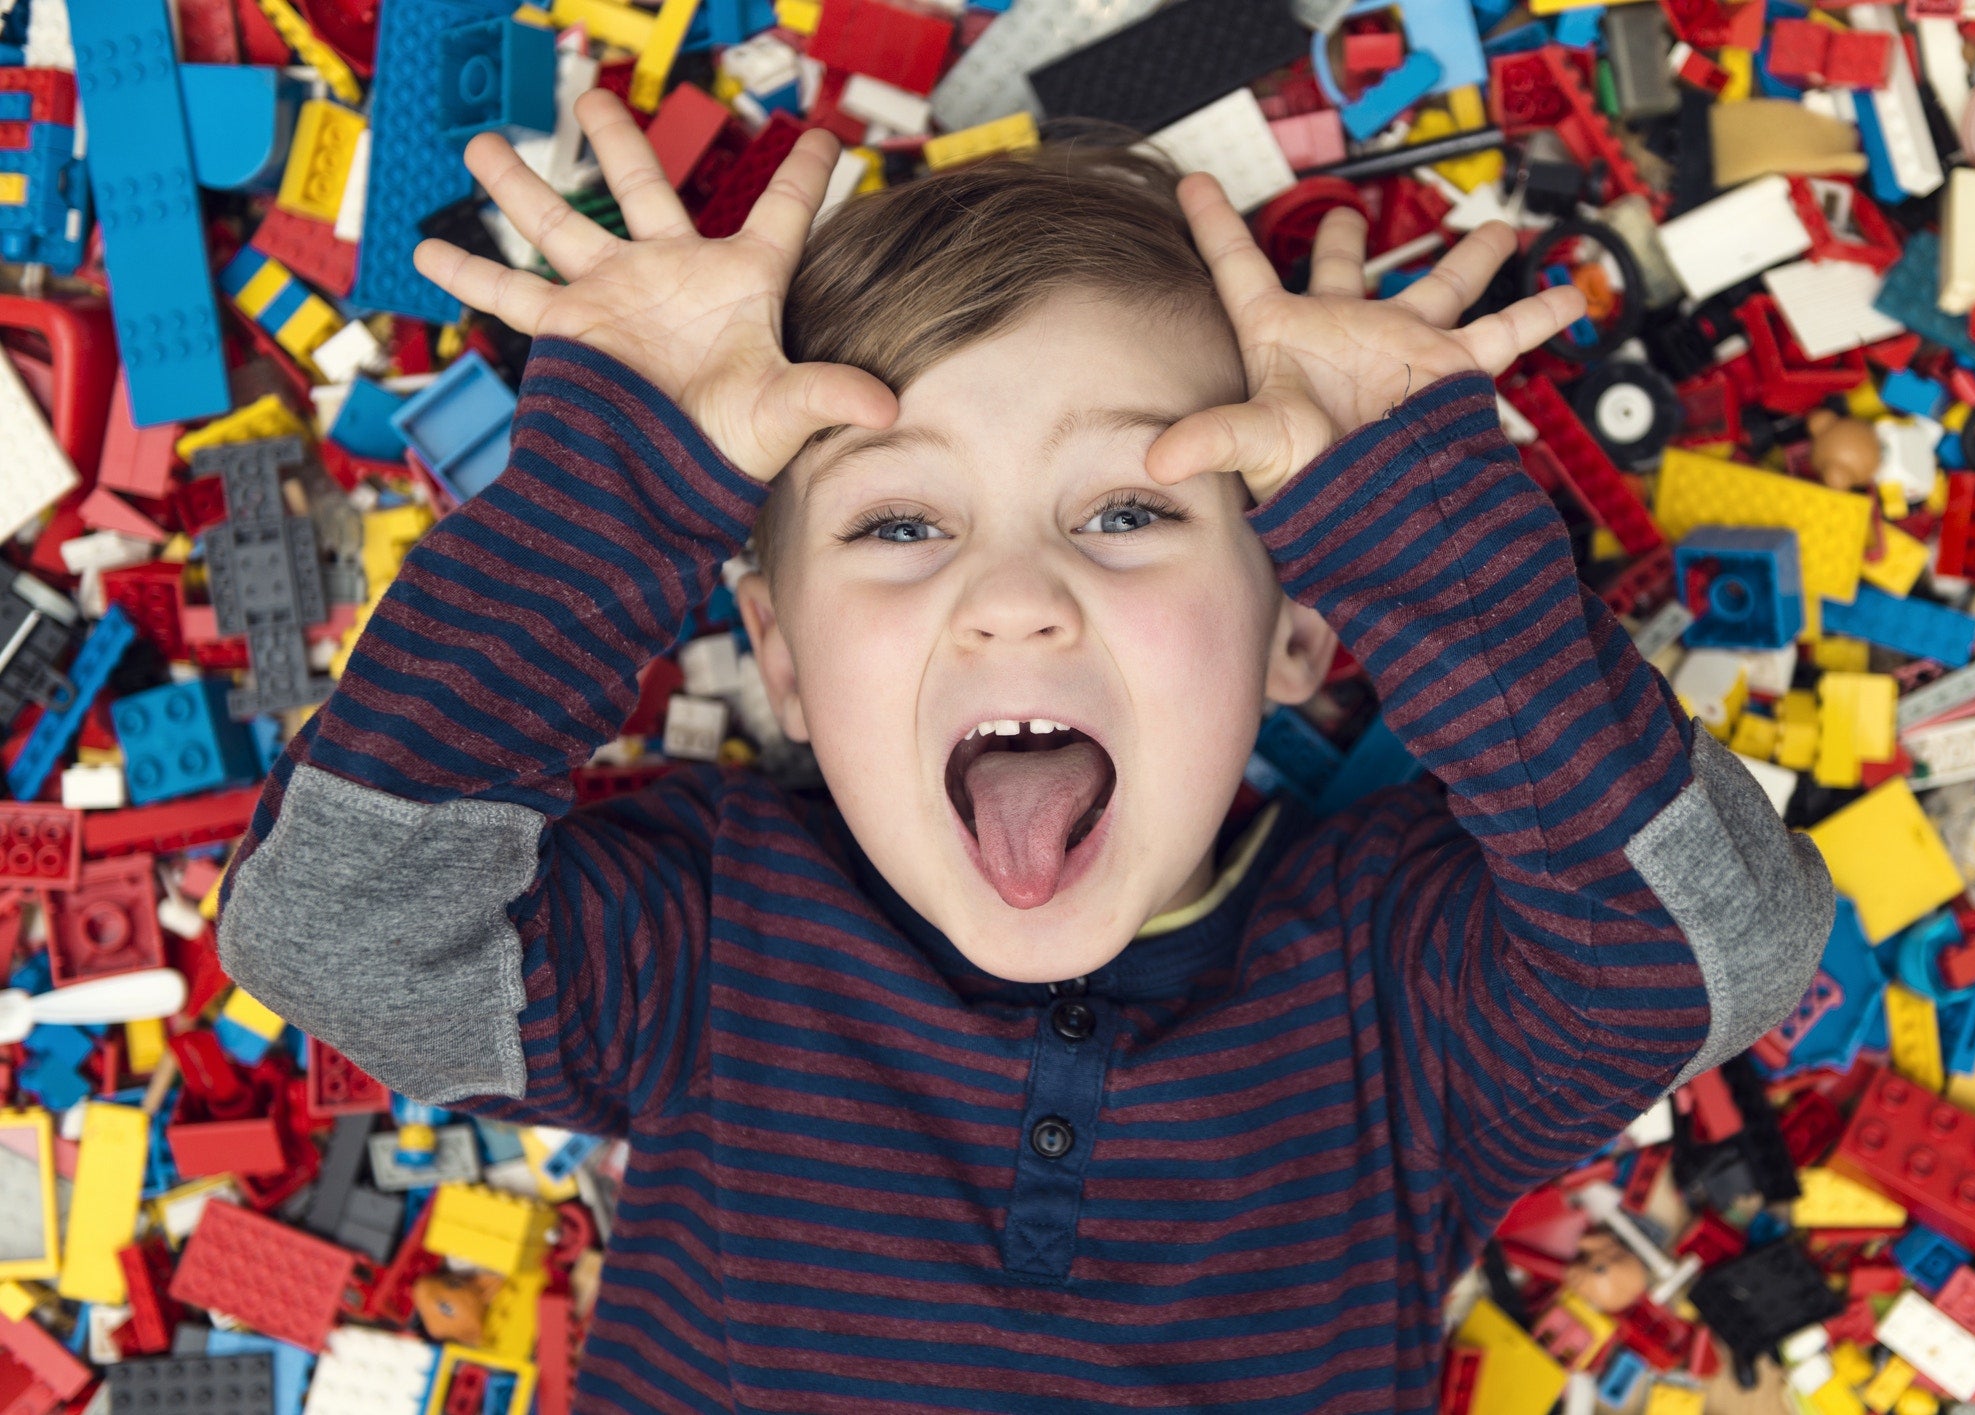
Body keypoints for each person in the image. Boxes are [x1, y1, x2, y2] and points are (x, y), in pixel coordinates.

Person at [217, 90, 1834, 1414]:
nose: (1011, 600)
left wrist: (1413, 522)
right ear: (776, 653)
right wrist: (615, 497)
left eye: (1127, 512)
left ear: (1304, 626)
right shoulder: (716, 934)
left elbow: (1714, 950)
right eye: (901, 522)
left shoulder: (1398, 987)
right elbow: (341, 932)